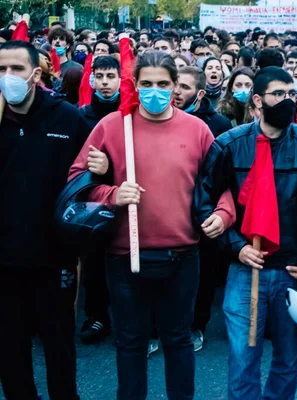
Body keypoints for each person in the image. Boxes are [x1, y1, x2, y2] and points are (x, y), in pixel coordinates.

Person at [69, 50, 236, 399]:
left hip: (183, 257)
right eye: (146, 84)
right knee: (130, 343)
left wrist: (223, 215)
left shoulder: (198, 130)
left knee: (178, 341)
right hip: (123, 256)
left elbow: (221, 185)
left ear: (176, 87)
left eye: (163, 84)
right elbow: (77, 181)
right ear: (135, 85)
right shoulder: (112, 126)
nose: (154, 91)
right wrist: (113, 193)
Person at [196, 66, 297, 400]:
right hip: (243, 270)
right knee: (242, 360)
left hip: (293, 270)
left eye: (291, 94)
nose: (287, 101)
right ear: (257, 101)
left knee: (287, 361)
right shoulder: (229, 146)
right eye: (278, 94)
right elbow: (204, 204)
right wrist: (235, 246)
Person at [0, 39, 89, 400]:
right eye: (1, 69)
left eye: (16, 69)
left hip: (53, 258)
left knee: (58, 344)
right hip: (3, 260)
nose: (7, 77)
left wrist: (99, 168)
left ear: (36, 73)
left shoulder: (67, 118)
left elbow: (88, 178)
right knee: (9, 346)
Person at [76, 55, 122, 344]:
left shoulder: (130, 113)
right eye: (100, 77)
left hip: (125, 195)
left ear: (120, 79)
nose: (105, 83)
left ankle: (130, 317)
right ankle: (96, 316)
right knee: (93, 261)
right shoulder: (81, 115)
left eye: (110, 77)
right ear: (92, 79)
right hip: (93, 200)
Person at [174, 66, 232, 137]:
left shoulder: (220, 124)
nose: (176, 91)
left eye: (185, 87)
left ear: (200, 94)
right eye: (175, 85)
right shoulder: (162, 117)